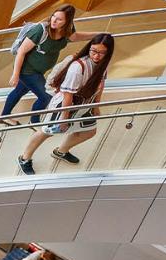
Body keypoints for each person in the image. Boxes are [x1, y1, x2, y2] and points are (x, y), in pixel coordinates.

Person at [17, 34, 115, 176]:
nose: (96, 55)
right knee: (46, 131)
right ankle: (25, 158)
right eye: (93, 51)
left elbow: (100, 85)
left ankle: (61, 151)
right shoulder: (78, 67)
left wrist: (96, 106)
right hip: (65, 105)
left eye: (101, 53)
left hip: (84, 104)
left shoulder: (102, 65)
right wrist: (64, 117)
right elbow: (68, 94)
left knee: (89, 131)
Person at [0, 5, 100, 126]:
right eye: (54, 16)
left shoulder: (67, 31)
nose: (54, 20)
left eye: (59, 19)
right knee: (45, 96)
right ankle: (34, 121)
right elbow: (21, 51)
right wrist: (15, 75)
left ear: (67, 22)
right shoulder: (40, 31)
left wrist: (98, 35)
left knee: (19, 91)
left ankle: (4, 116)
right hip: (28, 71)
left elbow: (76, 37)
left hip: (38, 71)